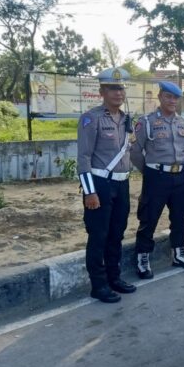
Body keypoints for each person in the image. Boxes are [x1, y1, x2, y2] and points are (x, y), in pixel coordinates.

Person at [77, 67, 137, 303]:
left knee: (116, 234)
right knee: (99, 236)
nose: (118, 92)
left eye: (121, 88)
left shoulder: (125, 119)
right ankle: (99, 285)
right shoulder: (91, 119)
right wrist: (89, 191)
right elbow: (83, 158)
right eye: (113, 88)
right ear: (102, 91)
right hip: (100, 184)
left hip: (122, 185)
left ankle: (114, 278)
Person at [129, 81, 184, 280]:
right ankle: (143, 258)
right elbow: (135, 151)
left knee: (180, 217)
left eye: (175, 97)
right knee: (148, 219)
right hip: (156, 177)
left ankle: (179, 253)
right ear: (160, 97)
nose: (172, 101)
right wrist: (148, 172)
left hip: (179, 177)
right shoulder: (147, 122)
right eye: (168, 96)